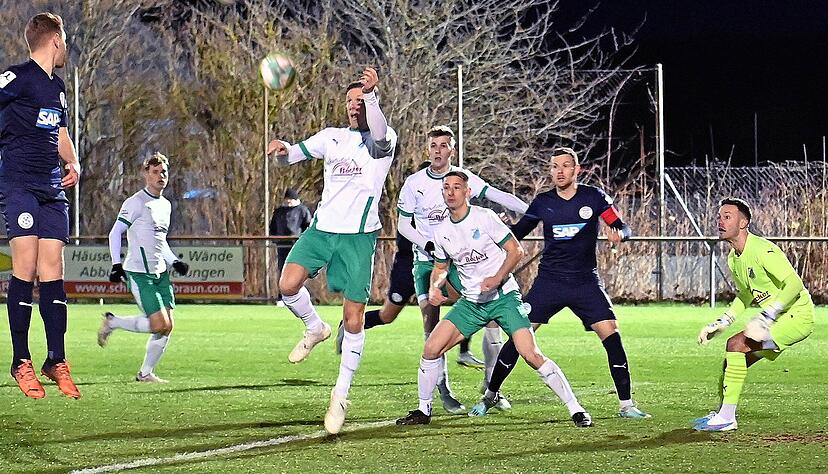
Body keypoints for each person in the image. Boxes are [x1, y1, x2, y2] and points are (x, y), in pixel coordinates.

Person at [396, 171, 591, 427]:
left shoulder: (483, 217)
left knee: (531, 354)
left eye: (457, 187)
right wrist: (435, 286)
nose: (451, 192)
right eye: (446, 188)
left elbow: (516, 250)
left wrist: (498, 277)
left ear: (467, 192)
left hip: (504, 298)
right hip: (471, 303)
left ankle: (576, 409)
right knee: (431, 349)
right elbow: (441, 267)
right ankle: (423, 410)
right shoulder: (441, 230)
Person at [472, 147, 650, 419]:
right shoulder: (544, 202)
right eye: (555, 166)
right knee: (520, 337)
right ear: (551, 171)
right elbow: (517, 234)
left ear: (577, 170)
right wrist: (493, 233)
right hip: (550, 282)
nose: (560, 171)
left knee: (612, 335)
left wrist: (620, 235)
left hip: (585, 282)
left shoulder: (594, 196)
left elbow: (622, 226)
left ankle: (627, 405)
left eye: (566, 166)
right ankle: (490, 395)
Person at [266, 67, 396, 434]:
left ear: (371, 103)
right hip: (323, 229)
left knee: (354, 319)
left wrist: (371, 96)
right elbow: (293, 154)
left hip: (357, 237)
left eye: (361, 101)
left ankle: (340, 393)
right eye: (350, 102)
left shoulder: (382, 141)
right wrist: (280, 151)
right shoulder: (332, 137)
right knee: (287, 284)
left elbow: (382, 135)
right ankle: (314, 327)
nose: (354, 106)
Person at [394, 125, 532, 412]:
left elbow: (497, 195)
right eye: (434, 145)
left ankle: (491, 387)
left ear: (451, 150)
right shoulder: (414, 183)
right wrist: (428, 244)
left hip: (459, 264)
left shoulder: (462, 179)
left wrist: (532, 210)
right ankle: (443, 390)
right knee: (431, 326)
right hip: (427, 262)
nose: (438, 150)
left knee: (492, 319)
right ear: (428, 148)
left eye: (444, 145)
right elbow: (403, 224)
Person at [0, 13, 81, 399]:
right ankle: (20, 362)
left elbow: (59, 131)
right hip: (19, 185)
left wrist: (74, 161)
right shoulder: (16, 77)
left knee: (52, 271)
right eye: (65, 40)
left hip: (51, 189)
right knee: (26, 267)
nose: (67, 47)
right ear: (55, 41)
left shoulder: (57, 88)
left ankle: (56, 360)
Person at [693, 198, 814, 431]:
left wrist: (767, 316)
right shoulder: (733, 258)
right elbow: (747, 294)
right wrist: (723, 321)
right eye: (719, 216)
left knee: (736, 345)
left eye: (727, 216)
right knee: (732, 362)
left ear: (743, 222)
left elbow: (794, 284)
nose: (720, 221)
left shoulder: (762, 250)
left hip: (797, 317)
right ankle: (723, 414)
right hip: (778, 318)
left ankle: (727, 418)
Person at [354, 160, 485, 372]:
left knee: (466, 300)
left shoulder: (442, 211)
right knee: (388, 315)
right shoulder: (413, 210)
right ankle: (351, 325)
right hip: (408, 266)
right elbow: (407, 241)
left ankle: (462, 352)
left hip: (440, 266)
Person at [97, 152, 189, 383]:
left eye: (164, 172)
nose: (161, 176)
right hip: (139, 273)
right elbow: (115, 232)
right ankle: (113, 322)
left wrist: (173, 261)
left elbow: (160, 240)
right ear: (145, 175)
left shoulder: (165, 205)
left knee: (167, 326)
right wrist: (116, 264)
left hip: (160, 273)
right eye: (155, 172)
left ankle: (146, 372)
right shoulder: (135, 202)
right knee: (160, 323)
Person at [268, 188, 311, 279]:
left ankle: (297, 291)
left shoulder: (302, 210)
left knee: (297, 268)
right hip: (282, 245)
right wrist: (275, 239)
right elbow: (272, 227)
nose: (287, 202)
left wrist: (303, 240)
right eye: (286, 200)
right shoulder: (279, 212)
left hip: (297, 245)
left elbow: (308, 227)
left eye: (289, 200)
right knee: (282, 268)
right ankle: (283, 291)